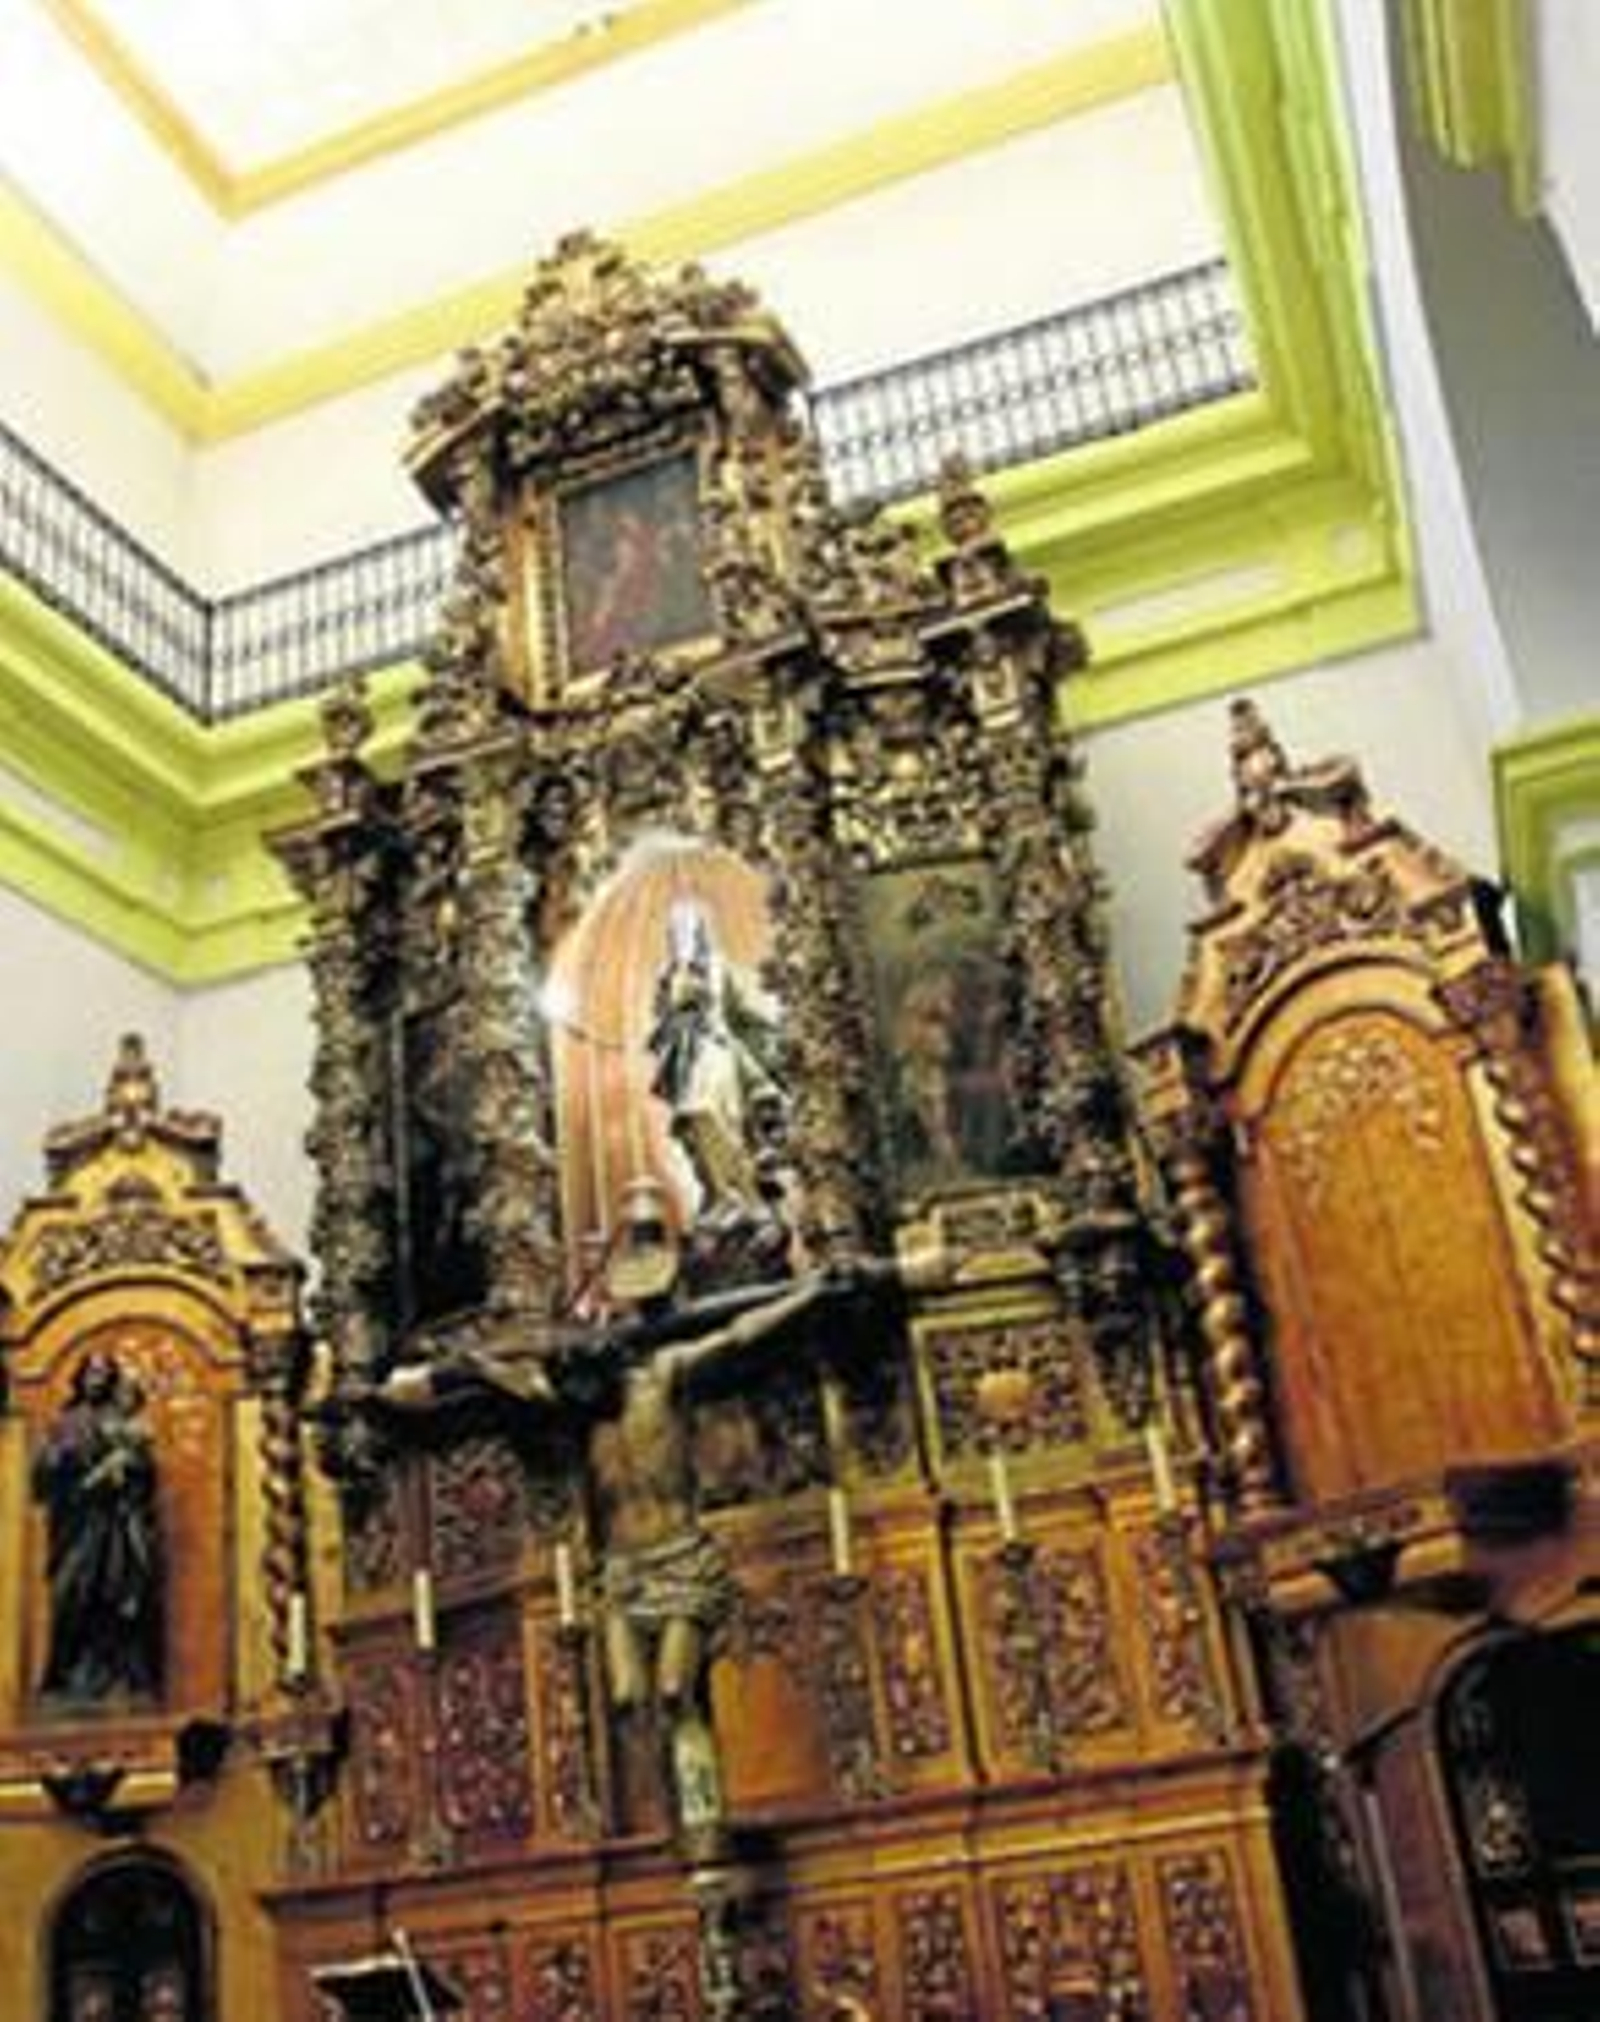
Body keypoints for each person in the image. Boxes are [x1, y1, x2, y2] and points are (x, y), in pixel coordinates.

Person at [360, 1178, 927, 1853]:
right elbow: (488, 1382)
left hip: (680, 1554)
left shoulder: (663, 1375)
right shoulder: (571, 1401)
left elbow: (742, 1335)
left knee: (672, 1687)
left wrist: (807, 1291)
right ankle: (673, 1817)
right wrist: (450, 1372)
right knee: (629, 1699)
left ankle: (703, 1814)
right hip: (622, 1572)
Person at [32, 1351, 163, 1702]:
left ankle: (121, 1678)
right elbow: (41, 1480)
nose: (97, 1378)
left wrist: (130, 1467)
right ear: (80, 1377)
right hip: (75, 1525)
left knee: (119, 1599)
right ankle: (65, 1676)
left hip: (116, 1525)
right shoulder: (64, 1422)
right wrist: (63, 1460)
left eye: (104, 1372)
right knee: (71, 1597)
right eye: (91, 1371)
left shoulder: (122, 1420)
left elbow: (145, 1478)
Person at [646, 900, 785, 1220]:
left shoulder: (719, 966)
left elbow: (742, 1012)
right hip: (687, 1057)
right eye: (678, 928)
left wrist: (773, 1032)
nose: (685, 933)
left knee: (722, 1116)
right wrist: (676, 995)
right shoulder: (668, 974)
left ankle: (748, 1197)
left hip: (719, 1049)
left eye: (690, 926)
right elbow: (660, 1020)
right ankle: (723, 1193)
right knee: (696, 1118)